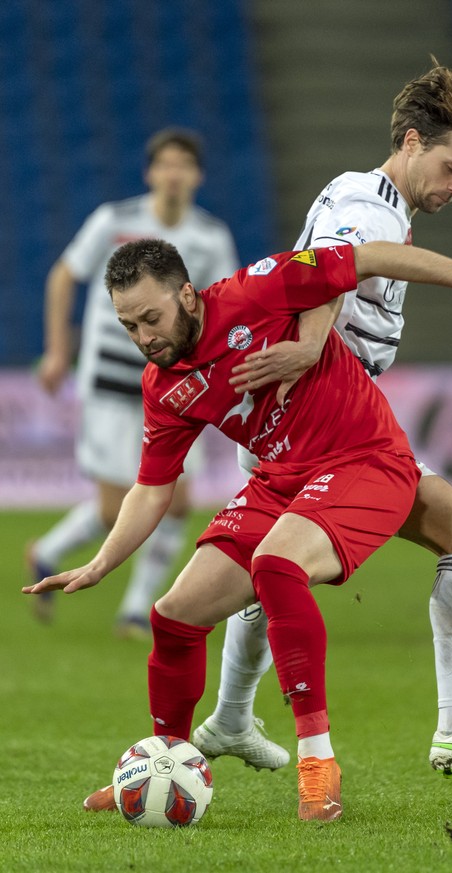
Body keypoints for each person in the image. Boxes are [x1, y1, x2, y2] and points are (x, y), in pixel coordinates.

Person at [24, 237, 452, 821]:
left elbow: (368, 258)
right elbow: (153, 487)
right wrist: (101, 563)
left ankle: (318, 764)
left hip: (363, 460)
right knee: (174, 615)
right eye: (129, 326)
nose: (144, 337)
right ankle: (161, 763)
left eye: (152, 318)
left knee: (277, 565)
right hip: (281, 481)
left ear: (186, 294)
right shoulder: (164, 384)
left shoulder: (257, 290)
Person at [191, 60, 452, 777]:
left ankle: (231, 717)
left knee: (274, 571)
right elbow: (339, 262)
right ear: (414, 140)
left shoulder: (369, 195)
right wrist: (309, 345)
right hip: (322, 429)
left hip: (310, 423)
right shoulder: (374, 204)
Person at [28, 127, 239, 640]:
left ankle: (136, 607)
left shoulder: (211, 236)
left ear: (197, 176)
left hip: (174, 383)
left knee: (178, 499)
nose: (173, 174)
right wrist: (58, 351)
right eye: (164, 164)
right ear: (150, 173)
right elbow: (63, 275)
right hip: (107, 380)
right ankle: (47, 552)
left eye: (183, 165)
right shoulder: (114, 220)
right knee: (114, 507)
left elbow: (223, 304)